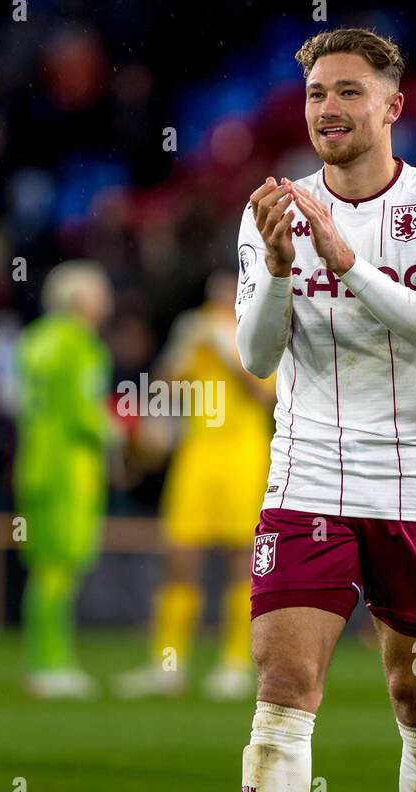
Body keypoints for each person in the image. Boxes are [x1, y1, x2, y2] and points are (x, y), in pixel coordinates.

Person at [233, 28, 416, 792]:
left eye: (349, 91)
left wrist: (347, 262)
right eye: (317, 93)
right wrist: (279, 271)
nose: (329, 107)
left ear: (392, 107)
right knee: (282, 694)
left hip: (412, 480)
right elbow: (255, 357)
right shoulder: (268, 214)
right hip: (305, 472)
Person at [113, 270, 275, 701]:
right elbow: (164, 393)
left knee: (241, 560)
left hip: (244, 455)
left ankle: (235, 665)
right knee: (179, 556)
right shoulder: (198, 333)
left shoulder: (261, 330)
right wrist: (179, 350)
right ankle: (169, 665)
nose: (218, 300)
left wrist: (229, 350)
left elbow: (264, 398)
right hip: (197, 454)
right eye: (213, 293)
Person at [14, 260, 115, 699]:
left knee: (44, 569)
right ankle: (52, 665)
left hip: (34, 463)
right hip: (70, 468)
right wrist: (118, 433)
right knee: (61, 571)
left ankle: (43, 662)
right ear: (82, 300)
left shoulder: (34, 340)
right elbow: (82, 413)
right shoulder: (81, 346)